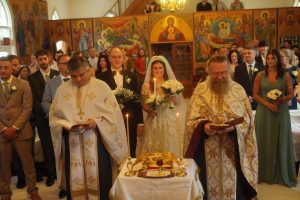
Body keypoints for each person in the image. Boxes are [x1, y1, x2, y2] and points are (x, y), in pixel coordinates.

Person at [49, 56, 128, 199]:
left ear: (89, 70)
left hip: (97, 143)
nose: (78, 79)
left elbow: (113, 116)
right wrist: (63, 126)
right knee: (74, 181)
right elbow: (54, 117)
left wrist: (97, 122)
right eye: (73, 76)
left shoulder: (102, 87)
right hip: (72, 144)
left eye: (81, 75)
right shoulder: (62, 90)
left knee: (100, 180)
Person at [184, 55, 258, 200]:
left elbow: (248, 120)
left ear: (229, 69)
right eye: (215, 73)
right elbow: (191, 120)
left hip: (232, 149)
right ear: (209, 72)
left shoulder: (238, 90)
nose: (219, 77)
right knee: (206, 186)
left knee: (234, 185)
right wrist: (204, 127)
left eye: (223, 72)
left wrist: (234, 128)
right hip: (207, 150)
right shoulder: (200, 90)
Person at [253, 49, 297, 187]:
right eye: (268, 58)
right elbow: (255, 94)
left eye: (273, 58)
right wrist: (268, 104)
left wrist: (281, 99)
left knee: (281, 138)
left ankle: (281, 174)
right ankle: (263, 173)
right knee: (263, 139)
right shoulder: (260, 75)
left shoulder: (285, 76)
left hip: (280, 110)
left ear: (278, 59)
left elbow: (291, 94)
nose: (270, 61)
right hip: (264, 111)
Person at [0, 56, 41, 200]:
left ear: (12, 68)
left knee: (28, 164)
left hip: (22, 131)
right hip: (2, 133)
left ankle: (33, 191)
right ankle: (4, 193)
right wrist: (4, 129)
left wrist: (15, 127)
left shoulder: (23, 84)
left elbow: (27, 107)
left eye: (6, 67)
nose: (3, 70)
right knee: (3, 167)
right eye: (0, 68)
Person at [136, 56, 186, 157]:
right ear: (151, 70)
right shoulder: (146, 85)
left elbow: (177, 102)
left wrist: (173, 94)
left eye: (160, 68)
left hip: (168, 118)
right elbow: (144, 104)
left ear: (164, 69)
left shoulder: (170, 84)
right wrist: (150, 110)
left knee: (168, 143)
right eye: (155, 68)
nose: (158, 70)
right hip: (152, 118)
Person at [101, 47, 143, 157]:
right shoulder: (101, 77)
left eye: (119, 57)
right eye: (114, 57)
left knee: (131, 147)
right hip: (111, 119)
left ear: (123, 58)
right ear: (109, 59)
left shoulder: (132, 76)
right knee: (113, 147)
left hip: (130, 118)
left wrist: (140, 122)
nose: (117, 60)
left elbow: (137, 100)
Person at [28, 50, 60, 187]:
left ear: (50, 59)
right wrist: (46, 112)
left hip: (59, 117)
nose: (43, 61)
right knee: (46, 146)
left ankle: (61, 172)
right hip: (43, 117)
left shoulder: (57, 75)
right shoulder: (32, 78)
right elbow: (33, 99)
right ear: (37, 61)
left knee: (59, 145)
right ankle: (51, 174)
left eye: (45, 58)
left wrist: (56, 112)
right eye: (40, 59)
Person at [41, 54, 70, 199]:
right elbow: (45, 102)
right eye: (66, 63)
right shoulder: (51, 83)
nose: (69, 65)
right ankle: (64, 185)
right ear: (59, 65)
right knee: (62, 157)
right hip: (60, 127)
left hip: (77, 126)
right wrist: (54, 114)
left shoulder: (79, 80)